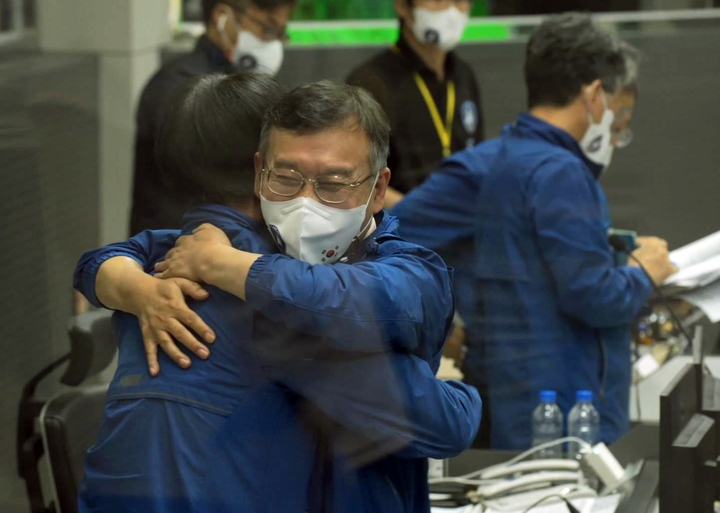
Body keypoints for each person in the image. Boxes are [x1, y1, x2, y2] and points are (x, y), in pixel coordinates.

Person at [75, 75, 481, 512]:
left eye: (331, 183)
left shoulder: (167, 259)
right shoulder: (277, 308)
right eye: (288, 177)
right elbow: (443, 424)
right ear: (257, 170)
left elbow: (96, 262)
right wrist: (465, 400)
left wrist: (132, 284)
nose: (305, 206)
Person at [391, 12, 677, 450]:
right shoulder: (561, 171)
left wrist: (439, 325)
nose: (614, 135)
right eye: (617, 120)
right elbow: (593, 294)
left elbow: (388, 239)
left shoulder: (494, 163)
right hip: (563, 411)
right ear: (596, 95)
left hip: (513, 397)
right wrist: (646, 273)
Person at [130, 0, 295, 235]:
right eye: (267, 30)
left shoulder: (240, 80)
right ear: (221, 16)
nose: (273, 43)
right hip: (177, 243)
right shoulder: (178, 86)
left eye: (280, 34)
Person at [346, 0, 483, 209]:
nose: (453, 11)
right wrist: (418, 216)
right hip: (401, 227)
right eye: (438, 1)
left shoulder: (464, 74)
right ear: (402, 6)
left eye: (460, 1)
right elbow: (357, 176)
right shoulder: (370, 81)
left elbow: (478, 157)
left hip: (464, 221)